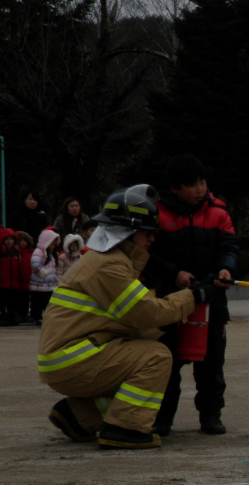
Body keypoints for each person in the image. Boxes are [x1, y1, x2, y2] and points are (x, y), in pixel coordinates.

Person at [38, 184, 205, 450]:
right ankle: (123, 429)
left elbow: (135, 316)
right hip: (74, 358)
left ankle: (78, 415)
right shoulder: (110, 266)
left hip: (72, 355)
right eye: (147, 232)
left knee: (150, 345)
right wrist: (192, 297)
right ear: (127, 232)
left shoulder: (107, 260)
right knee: (155, 357)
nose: (152, 239)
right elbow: (147, 313)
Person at [145, 154, 238, 436]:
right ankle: (162, 420)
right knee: (167, 364)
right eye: (192, 184)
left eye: (202, 182)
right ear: (174, 188)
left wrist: (225, 269)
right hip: (169, 303)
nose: (200, 189)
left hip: (212, 301)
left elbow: (229, 248)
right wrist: (175, 274)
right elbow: (148, 254)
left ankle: (211, 415)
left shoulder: (219, 213)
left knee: (211, 365)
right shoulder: (157, 215)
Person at [29, 227, 61, 325]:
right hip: (40, 283)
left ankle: (46, 316)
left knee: (48, 302)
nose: (53, 246)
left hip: (49, 284)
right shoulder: (39, 252)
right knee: (38, 301)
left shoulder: (51, 254)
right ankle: (37, 316)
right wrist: (43, 274)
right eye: (52, 244)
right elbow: (35, 264)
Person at [0, 228, 22, 326]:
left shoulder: (16, 252)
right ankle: (3, 317)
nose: (9, 242)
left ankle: (12, 317)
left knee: (12, 301)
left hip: (14, 282)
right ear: (3, 240)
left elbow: (20, 266)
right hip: (2, 281)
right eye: (7, 239)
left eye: (11, 239)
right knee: (3, 301)